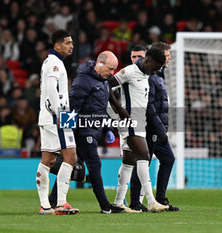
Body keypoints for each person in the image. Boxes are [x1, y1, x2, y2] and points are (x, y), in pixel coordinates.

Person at [108, 47, 169, 212]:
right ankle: (151, 202)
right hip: (130, 122)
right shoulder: (129, 71)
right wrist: (119, 109)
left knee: (128, 161)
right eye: (155, 67)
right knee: (144, 156)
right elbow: (106, 85)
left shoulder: (146, 74)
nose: (156, 71)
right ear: (148, 61)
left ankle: (118, 202)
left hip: (140, 122)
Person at [66, 51, 124, 214]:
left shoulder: (103, 81)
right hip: (84, 131)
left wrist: (107, 128)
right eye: (110, 68)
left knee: (70, 165)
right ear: (100, 64)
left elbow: (100, 107)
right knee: (94, 164)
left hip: (94, 129)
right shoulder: (83, 80)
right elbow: (73, 106)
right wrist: (69, 131)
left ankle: (52, 199)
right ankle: (105, 206)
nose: (112, 73)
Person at [130, 42, 180, 211]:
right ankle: (135, 201)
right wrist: (159, 128)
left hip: (158, 127)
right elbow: (149, 105)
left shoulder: (158, 75)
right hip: (151, 127)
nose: (169, 58)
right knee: (144, 161)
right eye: (167, 55)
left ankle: (161, 199)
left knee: (167, 159)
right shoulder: (151, 76)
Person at [36, 30, 79, 215]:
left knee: (48, 159)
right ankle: (60, 202)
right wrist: (62, 114)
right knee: (71, 157)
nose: (71, 46)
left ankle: (46, 205)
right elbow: (52, 89)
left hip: (51, 115)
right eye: (68, 43)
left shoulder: (52, 62)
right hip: (57, 116)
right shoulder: (54, 63)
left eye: (72, 42)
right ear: (57, 45)